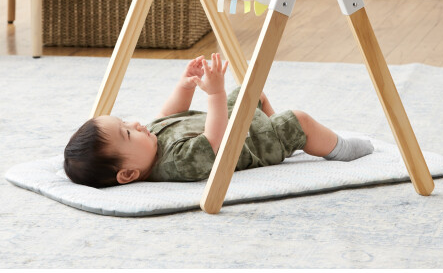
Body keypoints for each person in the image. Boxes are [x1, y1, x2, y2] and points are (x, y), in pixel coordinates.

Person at [64, 53, 374, 188]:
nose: (135, 125)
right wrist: (214, 94)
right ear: (129, 174)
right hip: (252, 146)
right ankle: (337, 147)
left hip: (241, 125)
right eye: (127, 134)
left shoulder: (150, 139)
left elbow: (169, 114)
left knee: (252, 92)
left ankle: (283, 137)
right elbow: (216, 142)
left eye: (125, 122)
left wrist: (184, 85)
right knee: (300, 120)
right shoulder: (176, 163)